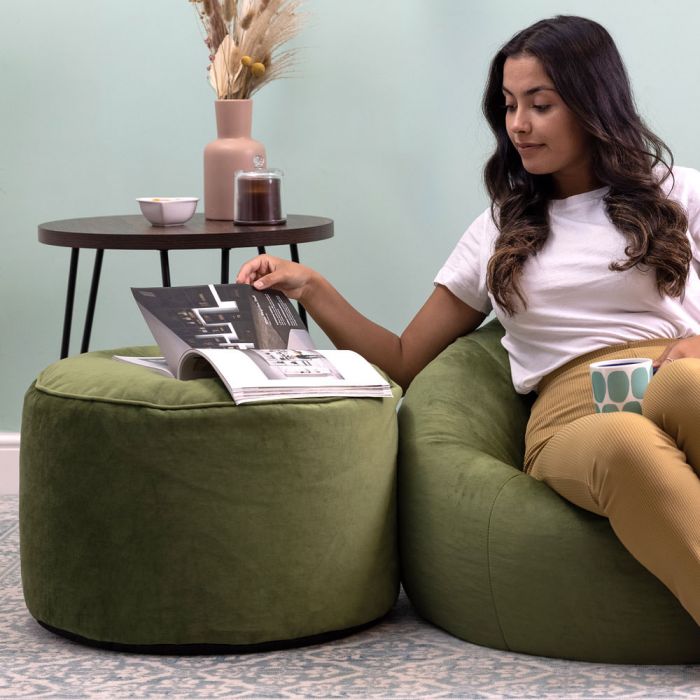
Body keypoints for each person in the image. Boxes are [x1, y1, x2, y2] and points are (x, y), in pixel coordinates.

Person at [237, 15, 700, 625]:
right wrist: (314, 289)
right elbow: (405, 358)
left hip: (675, 372)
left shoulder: (680, 192)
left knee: (690, 386)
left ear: (593, 104)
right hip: (576, 416)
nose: (519, 125)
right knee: (626, 442)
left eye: (541, 104)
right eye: (508, 106)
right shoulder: (500, 228)